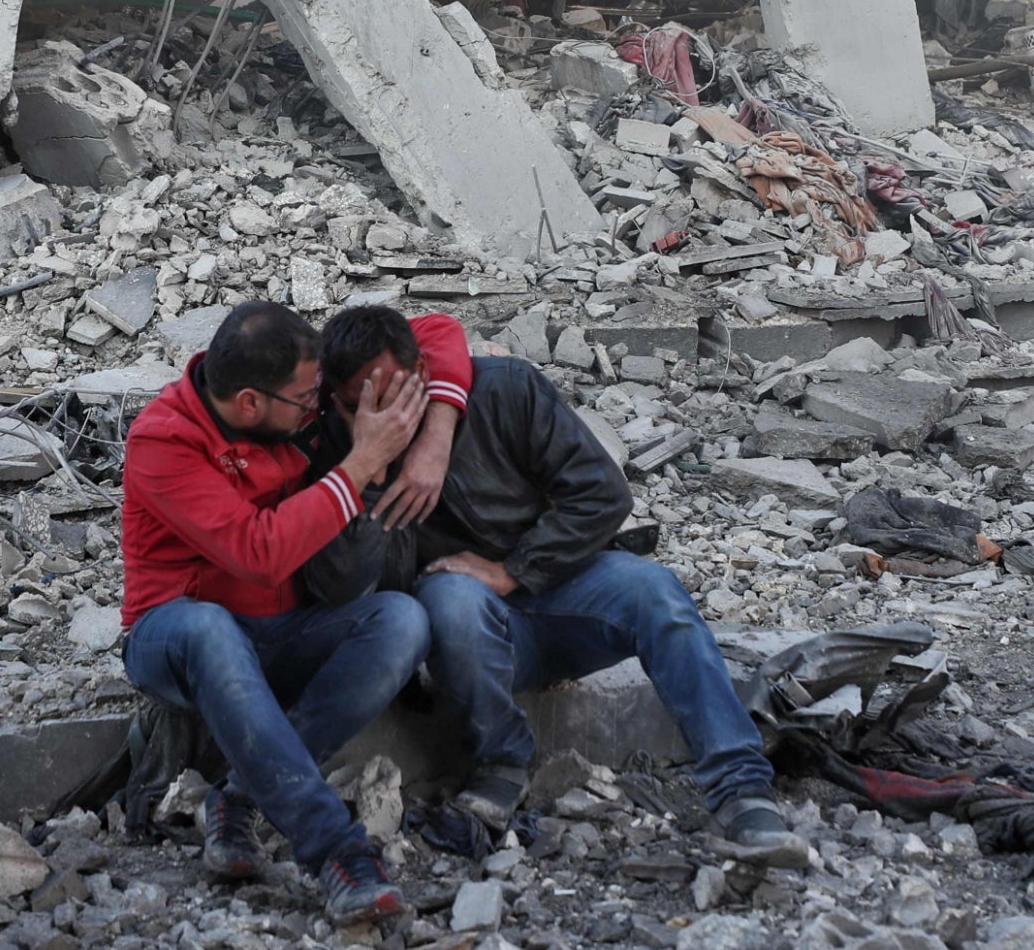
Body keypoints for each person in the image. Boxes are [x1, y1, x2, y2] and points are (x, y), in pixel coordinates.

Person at [301, 305, 801, 854]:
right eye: (359, 405)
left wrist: (515, 570)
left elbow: (602, 494)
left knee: (655, 590)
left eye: (394, 398)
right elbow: (350, 587)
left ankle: (741, 786)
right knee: (450, 598)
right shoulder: (334, 445)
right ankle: (501, 762)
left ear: (422, 374)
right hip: (467, 639)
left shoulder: (504, 393)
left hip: (563, 590)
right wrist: (369, 473)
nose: (382, 417)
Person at [119, 301, 478, 923]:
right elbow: (259, 551)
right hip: (174, 636)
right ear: (252, 403)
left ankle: (238, 798)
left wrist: (436, 436)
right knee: (209, 628)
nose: (319, 405)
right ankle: (337, 852)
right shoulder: (164, 440)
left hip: (281, 633)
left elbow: (437, 331)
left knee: (400, 621)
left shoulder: (289, 389)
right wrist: (361, 461)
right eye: (305, 399)